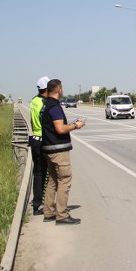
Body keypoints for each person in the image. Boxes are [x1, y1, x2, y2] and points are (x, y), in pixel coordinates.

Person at [40, 79, 85, 225]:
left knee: (53, 181)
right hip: (58, 150)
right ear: (59, 90)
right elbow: (60, 129)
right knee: (64, 180)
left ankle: (49, 212)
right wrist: (75, 125)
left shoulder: (45, 105)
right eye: (62, 88)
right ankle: (61, 215)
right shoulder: (54, 107)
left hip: (48, 149)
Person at [29, 76, 50, 215]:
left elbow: (32, 120)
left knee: (37, 173)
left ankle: (36, 204)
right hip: (43, 139)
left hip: (35, 139)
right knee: (47, 173)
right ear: (47, 89)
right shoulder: (45, 103)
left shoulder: (33, 101)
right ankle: (47, 204)